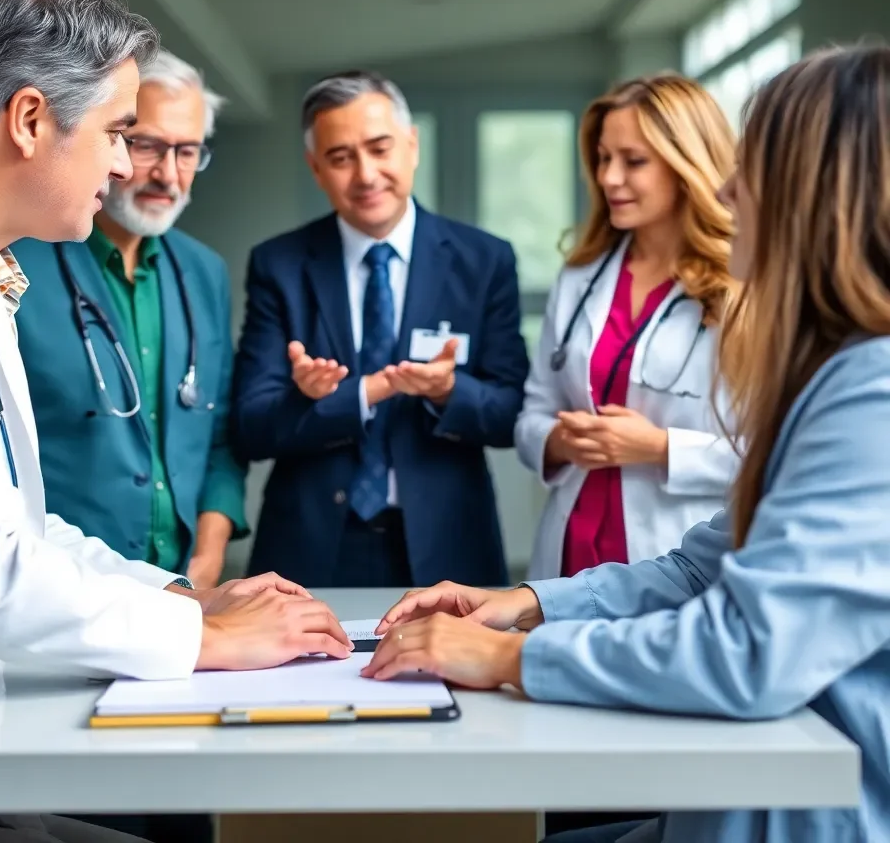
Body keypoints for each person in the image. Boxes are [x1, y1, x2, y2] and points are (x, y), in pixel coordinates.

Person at [0, 0, 349, 843]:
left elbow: (16, 522)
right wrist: (203, 640)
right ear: (28, 120)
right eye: (120, 132)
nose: (130, 163)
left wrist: (183, 598)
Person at [366, 43, 890, 842]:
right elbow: (696, 565)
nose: (725, 188)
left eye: (749, 167)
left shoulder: (871, 395)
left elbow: (746, 652)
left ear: (818, 198)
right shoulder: (829, 375)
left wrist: (506, 659)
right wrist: (530, 604)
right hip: (726, 774)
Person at [231, 71, 529, 589]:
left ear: (411, 145)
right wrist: (334, 397)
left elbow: (511, 415)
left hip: (449, 544)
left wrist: (450, 391)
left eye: (379, 148)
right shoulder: (278, 265)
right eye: (341, 157)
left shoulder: (484, 260)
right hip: (310, 547)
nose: (366, 175)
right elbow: (252, 426)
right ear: (316, 169)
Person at [12, 50, 245, 593]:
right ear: (111, 139)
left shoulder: (204, 271)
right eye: (147, 145)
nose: (168, 173)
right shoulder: (20, 260)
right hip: (65, 589)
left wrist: (208, 560)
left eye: (187, 151)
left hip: (187, 588)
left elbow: (218, 439)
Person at [515, 73, 739, 581]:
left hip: (679, 554)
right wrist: (557, 441)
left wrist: (659, 448)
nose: (609, 177)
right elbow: (531, 413)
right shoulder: (581, 277)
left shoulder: (745, 286)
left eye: (633, 161)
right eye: (602, 157)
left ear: (688, 164)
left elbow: (774, 454)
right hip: (572, 544)